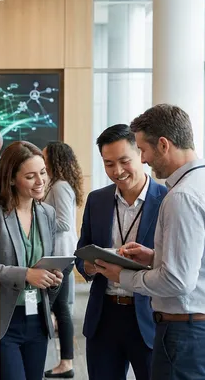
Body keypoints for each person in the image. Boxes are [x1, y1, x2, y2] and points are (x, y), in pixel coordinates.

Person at [95, 105, 205, 379]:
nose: (144, 159)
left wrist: (123, 276)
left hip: (188, 334)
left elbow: (177, 282)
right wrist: (155, 256)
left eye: (143, 150)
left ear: (163, 144)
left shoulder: (181, 196)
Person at [0, 141, 63, 380]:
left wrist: (54, 278)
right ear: (11, 179)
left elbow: (45, 263)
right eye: (30, 176)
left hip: (37, 317)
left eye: (42, 173)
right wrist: (25, 274)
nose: (40, 182)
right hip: (3, 321)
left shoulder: (47, 213)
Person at [75, 124, 166, 380]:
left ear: (141, 154)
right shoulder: (97, 200)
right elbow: (83, 250)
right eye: (108, 164)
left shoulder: (167, 199)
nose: (117, 171)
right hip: (104, 316)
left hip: (148, 316)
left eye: (124, 161)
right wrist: (89, 267)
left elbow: (173, 261)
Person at [41, 141, 84, 379]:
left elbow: (64, 223)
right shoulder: (56, 185)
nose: (42, 162)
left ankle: (64, 362)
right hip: (60, 255)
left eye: (45, 158)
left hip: (59, 256)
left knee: (49, 308)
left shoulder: (59, 187)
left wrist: (37, 218)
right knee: (60, 309)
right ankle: (65, 362)